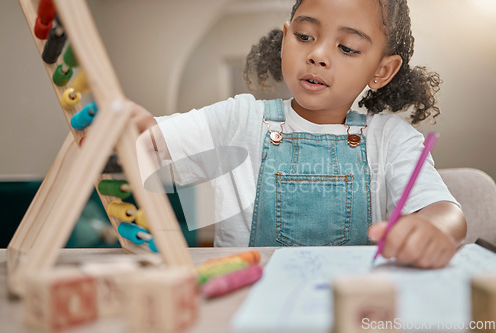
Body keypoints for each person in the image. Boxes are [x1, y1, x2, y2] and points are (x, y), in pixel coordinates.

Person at [132, 0, 466, 268]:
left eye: (347, 47)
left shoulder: (392, 139)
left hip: (352, 309)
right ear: (285, 39)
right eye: (305, 36)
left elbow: (445, 211)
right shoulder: (239, 119)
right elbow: (151, 141)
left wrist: (433, 229)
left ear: (382, 70)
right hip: (247, 307)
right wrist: (129, 126)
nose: (317, 55)